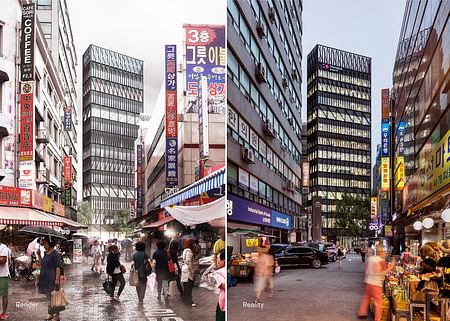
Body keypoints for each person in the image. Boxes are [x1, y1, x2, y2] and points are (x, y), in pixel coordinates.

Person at [358, 246, 395, 320]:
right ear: (380, 252)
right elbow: (382, 272)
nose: (385, 253)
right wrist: (391, 266)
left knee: (366, 298)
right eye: (384, 252)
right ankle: (377, 319)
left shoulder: (371, 259)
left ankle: (362, 313)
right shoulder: (381, 261)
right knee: (378, 303)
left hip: (369, 282)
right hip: (376, 284)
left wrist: (365, 279)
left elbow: (366, 270)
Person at [38, 236, 64, 321]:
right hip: (45, 277)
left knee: (54, 297)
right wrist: (38, 255)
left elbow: (58, 267)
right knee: (48, 296)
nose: (44, 245)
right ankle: (51, 314)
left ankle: (57, 316)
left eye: (45, 243)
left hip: (52, 278)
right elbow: (42, 263)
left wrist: (57, 279)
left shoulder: (55, 254)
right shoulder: (46, 253)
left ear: (50, 243)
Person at [152, 240, 172, 305]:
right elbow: (170, 260)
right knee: (165, 284)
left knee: (159, 284)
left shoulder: (155, 253)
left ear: (157, 246)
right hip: (166, 271)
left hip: (158, 271)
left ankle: (159, 295)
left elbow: (154, 263)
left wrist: (153, 269)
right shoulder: (166, 252)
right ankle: (166, 295)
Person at [181, 239, 196, 307]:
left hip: (184, 269)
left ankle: (186, 300)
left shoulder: (185, 251)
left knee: (186, 285)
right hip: (188, 270)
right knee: (189, 286)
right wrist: (193, 271)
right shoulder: (189, 252)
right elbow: (189, 262)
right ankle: (189, 301)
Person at [214, 249, 226, 321]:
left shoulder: (219, 272)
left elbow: (223, 285)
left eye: (218, 258)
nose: (217, 261)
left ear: (223, 260)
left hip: (223, 303)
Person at [0, 239, 9, 320]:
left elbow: (3, 260)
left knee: (4, 295)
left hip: (2, 275)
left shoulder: (3, 247)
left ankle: (4, 312)